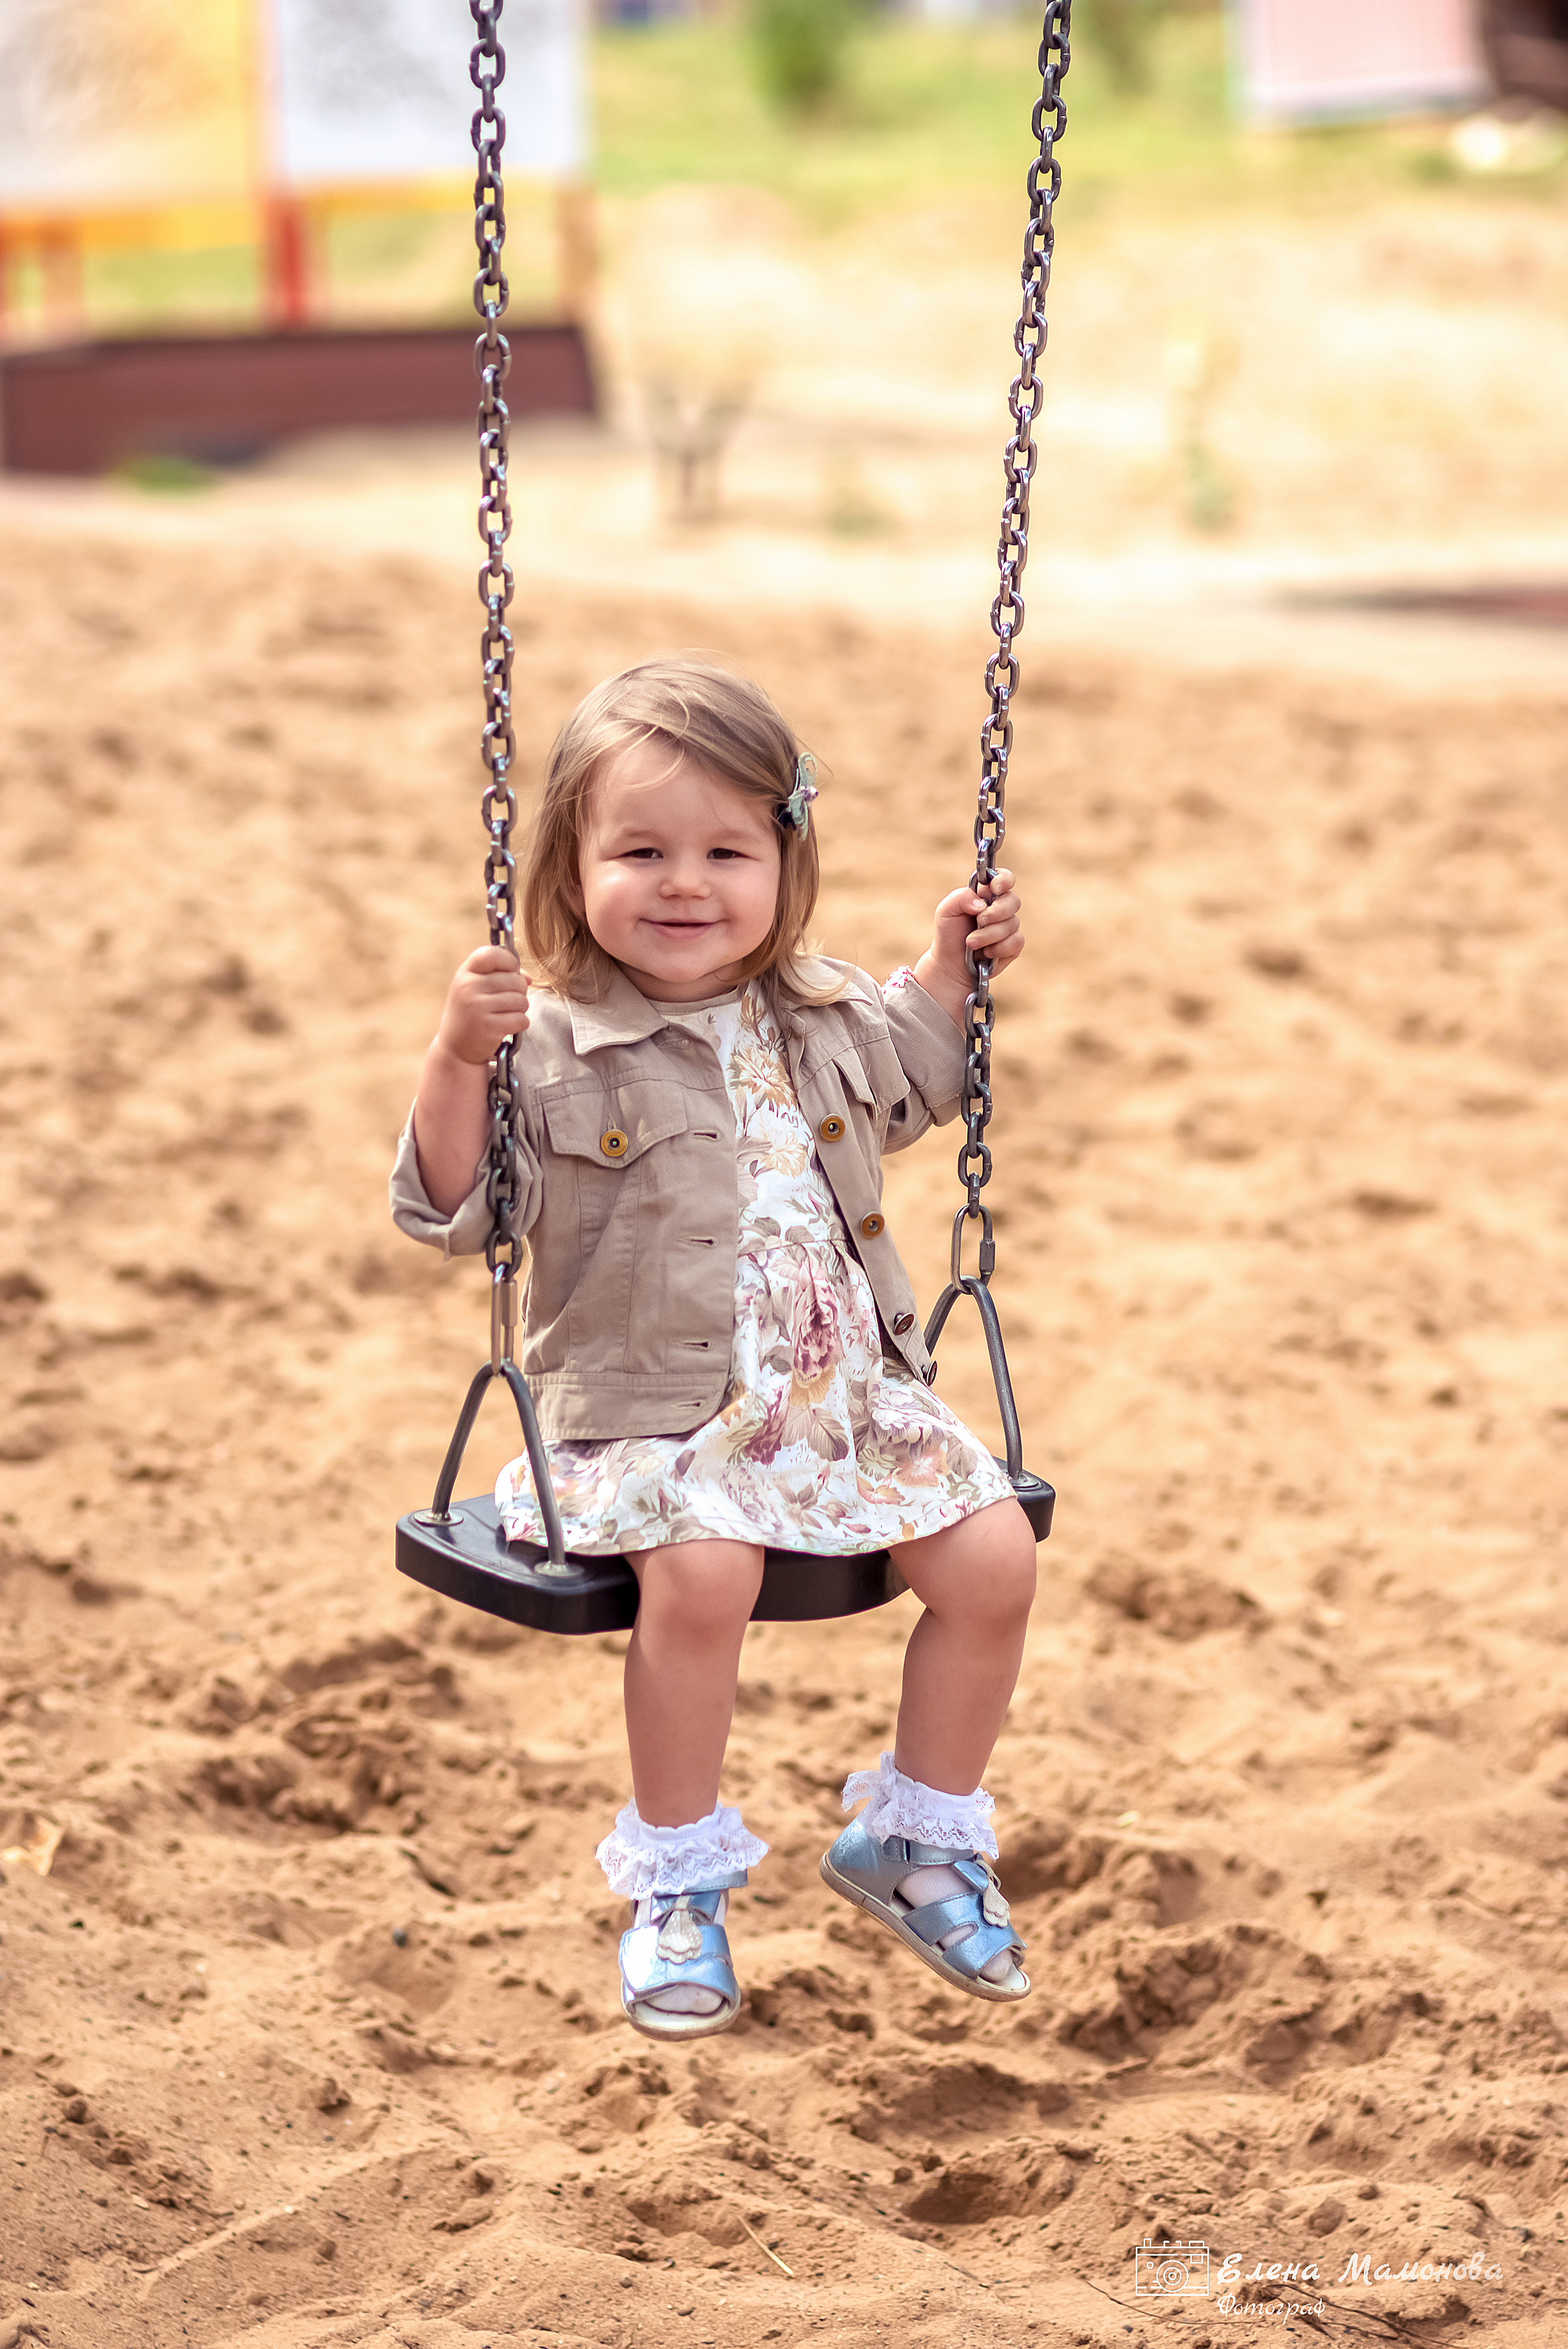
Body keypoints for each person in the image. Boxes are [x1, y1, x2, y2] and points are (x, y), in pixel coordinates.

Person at [391, 658, 1038, 2041]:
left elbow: (921, 1082)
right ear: (570, 874)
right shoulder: (551, 1043)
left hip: (838, 1402)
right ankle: (676, 1883)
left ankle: (916, 1838)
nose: (684, 884)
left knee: (994, 1561)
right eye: (639, 851)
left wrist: (943, 968)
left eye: (725, 851)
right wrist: (456, 1058)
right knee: (703, 1576)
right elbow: (452, 1207)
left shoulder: (817, 1012)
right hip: (653, 1420)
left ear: (783, 864)